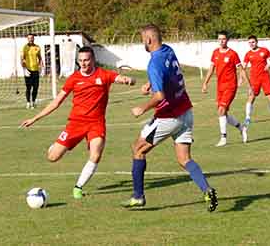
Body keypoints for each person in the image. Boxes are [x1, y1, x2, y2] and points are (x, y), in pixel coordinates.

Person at [121, 24, 218, 212]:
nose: (142, 42)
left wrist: (142, 107)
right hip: (186, 112)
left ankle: (138, 196)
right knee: (184, 159)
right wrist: (151, 82)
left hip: (169, 116)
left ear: (149, 40)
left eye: (142, 38)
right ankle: (207, 190)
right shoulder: (168, 50)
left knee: (138, 149)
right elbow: (171, 74)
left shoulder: (153, 63)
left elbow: (160, 96)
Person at [20, 46, 136, 199]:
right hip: (75, 124)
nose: (84, 63)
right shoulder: (74, 79)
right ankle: (55, 147)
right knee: (53, 157)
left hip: (96, 123)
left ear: (93, 60)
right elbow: (56, 102)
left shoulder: (104, 74)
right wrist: (34, 118)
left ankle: (78, 187)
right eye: (81, 60)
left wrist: (129, 80)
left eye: (87, 60)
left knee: (95, 154)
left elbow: (122, 79)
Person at [202, 31, 249, 147]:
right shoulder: (215, 53)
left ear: (227, 40)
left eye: (223, 39)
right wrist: (205, 83)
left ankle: (223, 138)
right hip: (220, 86)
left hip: (230, 86)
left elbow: (241, 68)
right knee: (223, 113)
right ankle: (241, 127)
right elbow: (211, 68)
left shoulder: (233, 54)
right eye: (219, 39)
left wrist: (244, 80)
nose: (221, 41)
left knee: (221, 111)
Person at [243, 35, 270, 124]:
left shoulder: (264, 51)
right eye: (249, 42)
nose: (251, 44)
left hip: (265, 77)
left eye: (253, 42)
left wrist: (269, 64)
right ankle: (247, 118)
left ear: (256, 42)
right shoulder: (248, 54)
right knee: (251, 97)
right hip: (254, 79)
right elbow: (243, 68)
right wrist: (241, 79)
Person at [20, 34, 43, 109]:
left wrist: (41, 66)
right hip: (28, 70)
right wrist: (24, 69)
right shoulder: (25, 47)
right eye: (29, 38)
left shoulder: (37, 47)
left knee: (36, 87)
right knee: (28, 87)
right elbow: (22, 59)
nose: (30, 39)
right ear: (27, 39)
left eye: (32, 38)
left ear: (34, 39)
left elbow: (40, 58)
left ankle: (33, 102)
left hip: (35, 70)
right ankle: (28, 102)